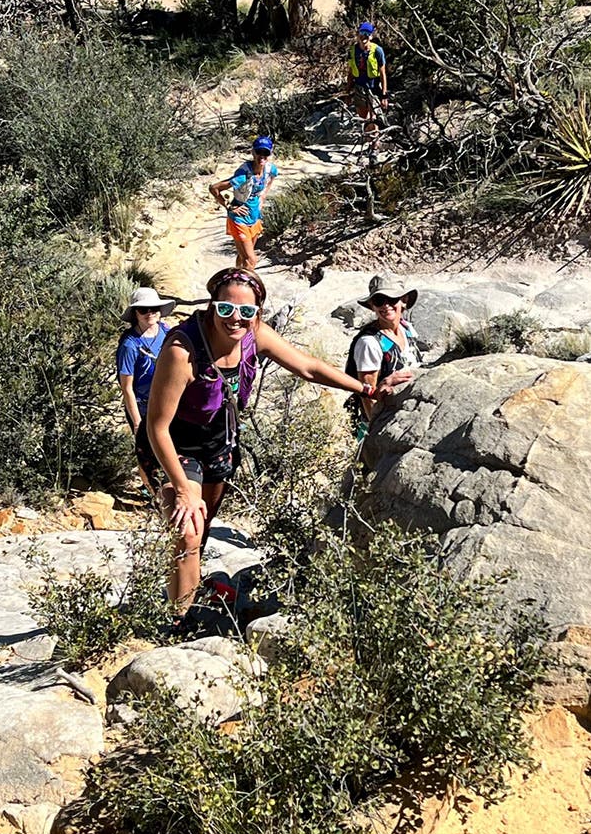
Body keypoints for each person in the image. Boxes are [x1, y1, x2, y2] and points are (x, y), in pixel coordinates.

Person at [146, 267, 412, 626]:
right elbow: (156, 426)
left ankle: (189, 600)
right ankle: (176, 622)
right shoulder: (184, 349)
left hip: (219, 442)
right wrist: (181, 488)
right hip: (175, 444)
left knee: (202, 530)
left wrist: (366, 389)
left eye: (247, 311)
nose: (235, 319)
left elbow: (309, 368)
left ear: (258, 313)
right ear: (212, 306)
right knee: (188, 528)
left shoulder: (255, 334)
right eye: (225, 309)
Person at [344, 274, 422, 440]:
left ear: (404, 300)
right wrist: (377, 434)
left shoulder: (406, 329)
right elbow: (367, 395)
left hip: (403, 414)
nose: (386, 305)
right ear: (372, 305)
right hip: (378, 425)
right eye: (379, 300)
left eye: (392, 299)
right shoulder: (369, 343)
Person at [116, 287, 177, 485]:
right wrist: (136, 421)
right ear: (136, 314)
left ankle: (169, 485)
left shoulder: (167, 332)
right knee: (147, 451)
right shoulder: (129, 345)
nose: (150, 313)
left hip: (168, 401)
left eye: (154, 308)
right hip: (143, 405)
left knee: (172, 445)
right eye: (144, 310)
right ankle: (150, 490)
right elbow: (127, 387)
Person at [209, 137, 279, 272]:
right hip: (239, 219)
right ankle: (246, 289)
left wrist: (262, 197)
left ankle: (234, 280)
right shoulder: (243, 174)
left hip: (254, 217)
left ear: (270, 153)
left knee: (243, 257)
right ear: (253, 152)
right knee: (251, 260)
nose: (262, 156)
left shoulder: (270, 169)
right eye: (259, 152)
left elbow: (271, 180)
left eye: (266, 153)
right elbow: (214, 188)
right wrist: (229, 206)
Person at [346, 22, 388, 140]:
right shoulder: (352, 51)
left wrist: (384, 95)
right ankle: (369, 142)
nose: (364, 36)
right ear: (357, 34)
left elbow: (383, 74)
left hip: (373, 88)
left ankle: (374, 148)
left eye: (367, 34)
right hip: (359, 88)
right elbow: (350, 73)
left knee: (373, 119)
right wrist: (347, 93)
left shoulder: (377, 51)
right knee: (364, 119)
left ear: (371, 36)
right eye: (362, 33)